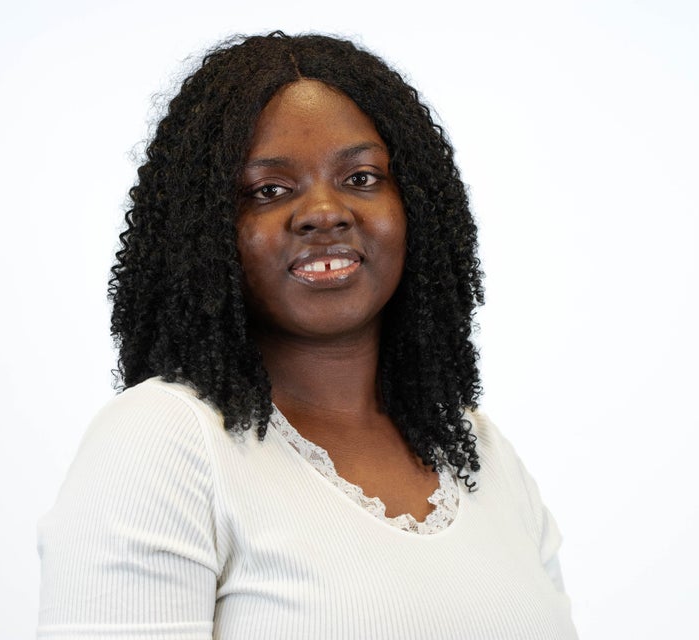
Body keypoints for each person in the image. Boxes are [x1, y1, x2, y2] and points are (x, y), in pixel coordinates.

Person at [37, 32, 578, 639]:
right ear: (205, 228)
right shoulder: (166, 441)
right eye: (269, 189)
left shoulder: (480, 451)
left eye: (362, 178)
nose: (325, 211)